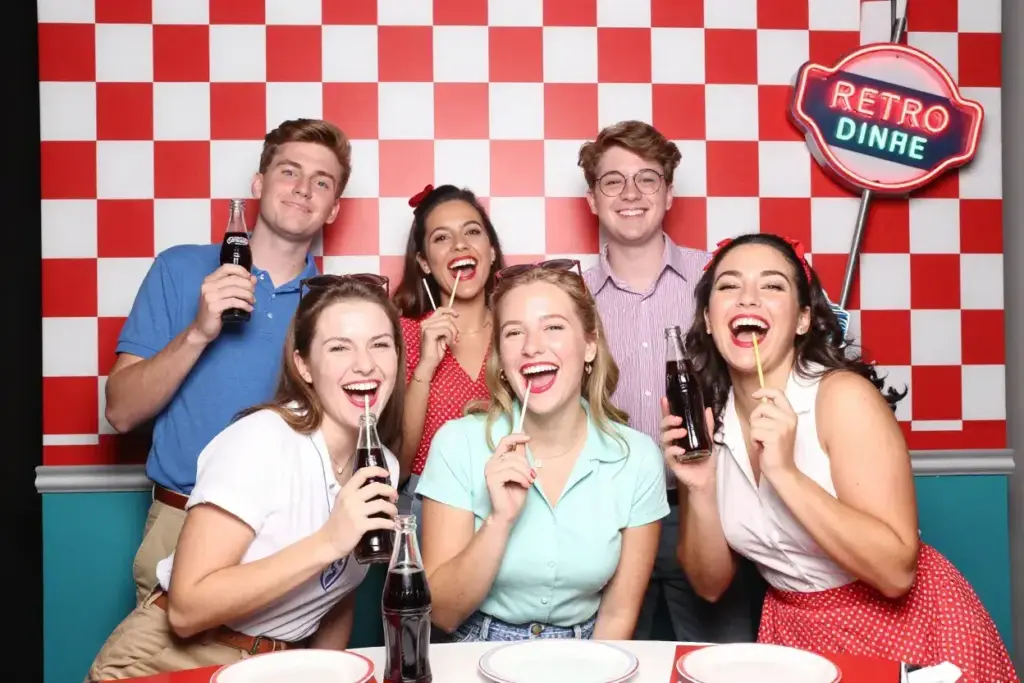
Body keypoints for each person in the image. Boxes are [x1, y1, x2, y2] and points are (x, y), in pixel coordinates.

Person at [663, 232, 1017, 683]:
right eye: (729, 286)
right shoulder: (715, 421)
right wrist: (700, 487)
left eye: (772, 286)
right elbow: (709, 586)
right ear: (710, 320)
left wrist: (786, 474)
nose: (748, 296)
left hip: (909, 634)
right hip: (795, 641)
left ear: (803, 320)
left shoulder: (842, 398)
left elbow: (895, 572)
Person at [87, 276, 404, 680]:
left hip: (273, 666)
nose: (365, 364)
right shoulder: (261, 441)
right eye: (339, 347)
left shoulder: (382, 466)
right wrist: (329, 541)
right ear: (303, 365)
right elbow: (186, 610)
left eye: (380, 344)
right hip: (173, 660)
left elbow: (335, 593)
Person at [104, 119, 353, 604]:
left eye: (321, 182)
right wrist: (199, 331)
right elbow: (120, 412)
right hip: (182, 519)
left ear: (333, 208)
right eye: (289, 172)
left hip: (293, 531)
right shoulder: (179, 269)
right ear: (259, 185)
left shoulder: (335, 306)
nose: (303, 189)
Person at [578, 120, 765, 642]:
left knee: (723, 665)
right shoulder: (571, 299)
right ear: (593, 199)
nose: (631, 194)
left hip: (707, 509)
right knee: (612, 667)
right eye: (613, 181)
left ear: (669, 192)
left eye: (647, 179)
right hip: (606, 517)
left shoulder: (721, 281)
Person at [416, 261, 669, 642]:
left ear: (589, 345)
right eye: (514, 332)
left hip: (587, 652)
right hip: (473, 647)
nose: (533, 347)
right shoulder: (457, 444)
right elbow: (442, 614)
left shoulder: (637, 457)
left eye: (553, 327)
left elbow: (618, 615)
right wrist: (499, 521)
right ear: (502, 359)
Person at [390, 184, 507, 523]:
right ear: (424, 263)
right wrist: (425, 367)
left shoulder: (519, 331)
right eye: (442, 238)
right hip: (427, 508)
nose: (460, 244)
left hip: (517, 503)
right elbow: (398, 468)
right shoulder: (403, 335)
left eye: (472, 231)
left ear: (492, 249)